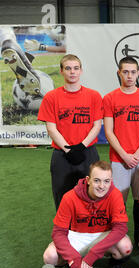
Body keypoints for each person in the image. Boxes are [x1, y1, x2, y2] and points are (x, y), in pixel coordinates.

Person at [42, 161, 133, 268]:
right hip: (77, 236)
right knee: (50, 257)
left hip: (103, 234)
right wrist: (72, 257)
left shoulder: (115, 195)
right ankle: (70, 264)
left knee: (126, 247)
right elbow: (58, 232)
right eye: (97, 180)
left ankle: (114, 265)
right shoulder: (70, 197)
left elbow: (120, 229)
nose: (102, 186)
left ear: (111, 181)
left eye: (106, 181)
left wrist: (93, 254)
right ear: (88, 180)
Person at [38, 54, 103, 210]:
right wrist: (68, 149)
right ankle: (65, 232)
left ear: (81, 71)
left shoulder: (93, 96)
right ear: (61, 71)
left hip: (87, 152)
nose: (72, 72)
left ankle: (90, 231)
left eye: (76, 68)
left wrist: (81, 146)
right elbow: (51, 128)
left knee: (93, 195)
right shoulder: (51, 97)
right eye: (68, 68)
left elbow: (97, 125)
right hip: (62, 155)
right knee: (62, 197)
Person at [103, 56, 139, 250]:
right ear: (119, 73)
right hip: (118, 160)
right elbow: (108, 131)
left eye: (133, 72)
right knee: (118, 202)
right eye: (126, 72)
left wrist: (137, 153)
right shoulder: (110, 98)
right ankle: (119, 237)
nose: (130, 76)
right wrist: (124, 155)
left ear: (138, 73)